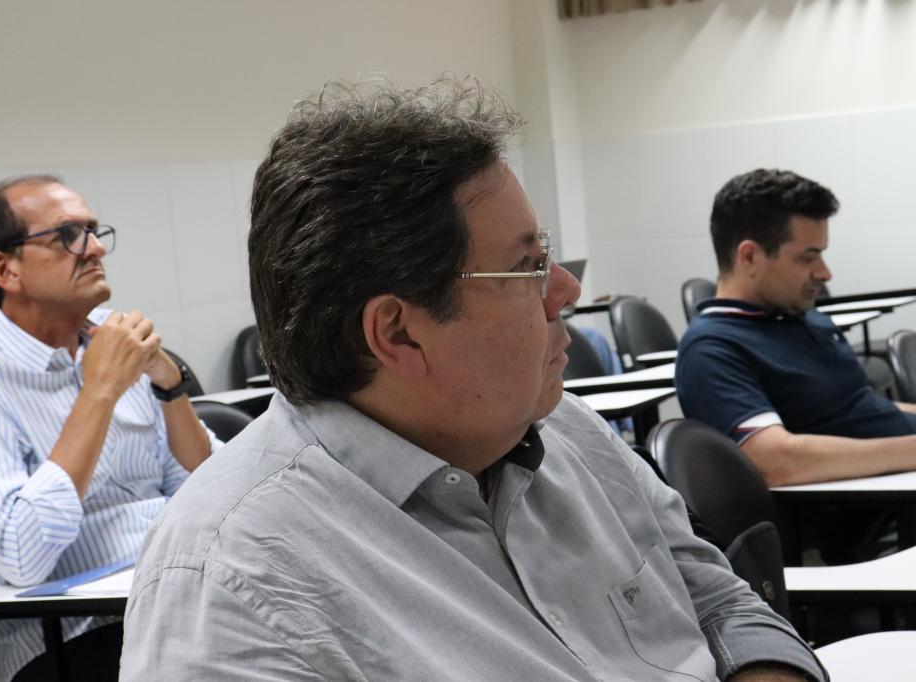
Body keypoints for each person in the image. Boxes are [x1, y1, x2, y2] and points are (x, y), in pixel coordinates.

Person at [120, 80, 824, 681]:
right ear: (398, 332)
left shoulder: (566, 430)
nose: (566, 289)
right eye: (525, 267)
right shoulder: (237, 586)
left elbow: (719, 601)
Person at [0, 175, 220, 681]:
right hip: (65, 636)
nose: (95, 247)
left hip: (177, 597)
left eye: (93, 230)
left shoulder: (110, 337)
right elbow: (22, 555)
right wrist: (98, 391)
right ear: (5, 269)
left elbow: (206, 491)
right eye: (68, 235)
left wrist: (171, 387)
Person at [677, 169, 916, 489]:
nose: (825, 273)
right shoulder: (712, 349)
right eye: (808, 257)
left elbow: (864, 408)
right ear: (750, 257)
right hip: (870, 506)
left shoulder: (799, 317)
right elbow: (775, 461)